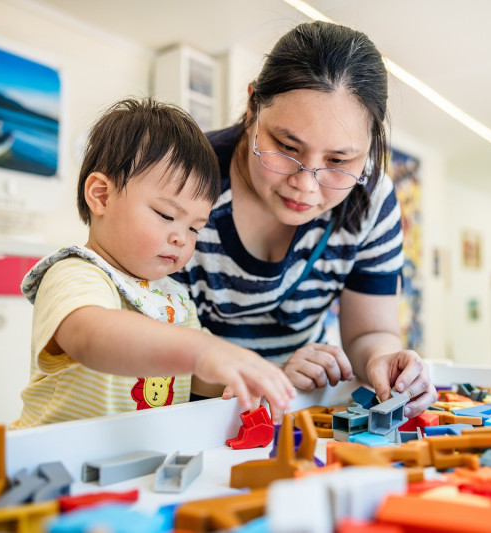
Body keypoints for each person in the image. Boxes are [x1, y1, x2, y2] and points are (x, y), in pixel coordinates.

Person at [172, 21, 437, 418]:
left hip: (299, 407)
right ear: (252, 109)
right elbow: (148, 346)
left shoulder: (371, 198)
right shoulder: (180, 179)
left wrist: (384, 361)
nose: (305, 185)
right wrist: (270, 375)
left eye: (338, 161)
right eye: (286, 146)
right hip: (188, 411)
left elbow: (369, 333)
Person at [11, 98, 294, 429]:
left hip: (135, 456)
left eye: (194, 228)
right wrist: (203, 349)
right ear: (101, 196)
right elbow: (91, 336)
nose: (181, 238)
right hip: (55, 456)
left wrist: (243, 377)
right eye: (167, 215)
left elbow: (193, 375)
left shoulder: (173, 296)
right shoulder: (75, 271)